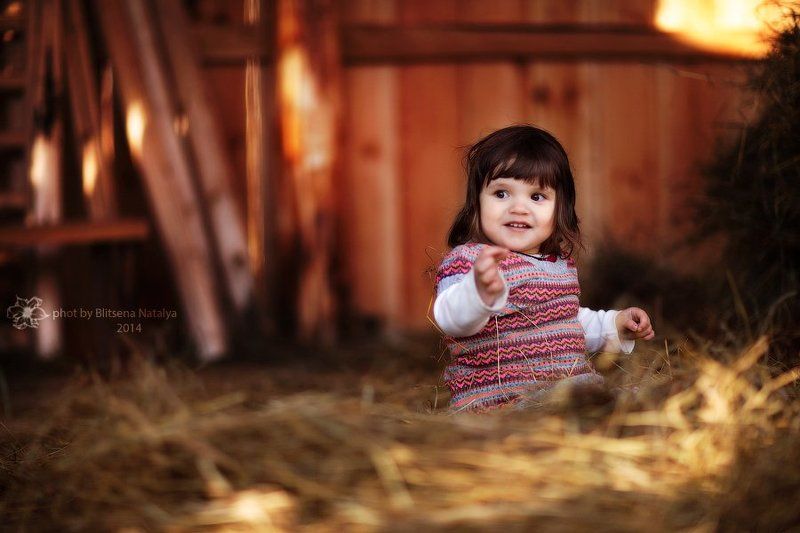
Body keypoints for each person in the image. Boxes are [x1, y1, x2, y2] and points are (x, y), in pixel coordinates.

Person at [433, 125, 654, 412]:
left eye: (536, 197)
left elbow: (565, 324)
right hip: (503, 398)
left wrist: (614, 326)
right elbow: (450, 319)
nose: (519, 208)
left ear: (559, 208)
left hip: (566, 391)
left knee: (638, 399)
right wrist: (478, 293)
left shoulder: (558, 265)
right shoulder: (473, 262)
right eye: (501, 194)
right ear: (476, 203)